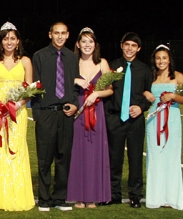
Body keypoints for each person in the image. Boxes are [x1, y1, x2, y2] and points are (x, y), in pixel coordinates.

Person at [0, 22, 35, 211]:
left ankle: (17, 195)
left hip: (17, 114)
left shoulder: (25, 61)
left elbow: (30, 89)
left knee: (16, 149)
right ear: (0, 41)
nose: (9, 42)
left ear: (18, 40)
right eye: (5, 38)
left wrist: (18, 103)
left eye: (12, 38)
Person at [30, 21, 79, 212]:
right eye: (56, 33)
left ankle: (60, 197)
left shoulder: (72, 57)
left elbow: (75, 85)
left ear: (67, 35)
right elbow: (35, 86)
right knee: (44, 158)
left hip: (65, 113)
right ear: (50, 34)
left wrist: (75, 104)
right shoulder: (39, 56)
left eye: (63, 33)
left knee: (63, 157)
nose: (59, 36)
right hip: (46, 113)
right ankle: (44, 198)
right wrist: (38, 114)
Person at [101, 32, 152, 208]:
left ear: (138, 48)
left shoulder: (145, 70)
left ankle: (135, 195)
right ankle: (114, 194)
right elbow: (106, 92)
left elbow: (149, 94)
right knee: (114, 158)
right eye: (127, 44)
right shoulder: (112, 67)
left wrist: (141, 107)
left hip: (135, 120)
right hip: (116, 118)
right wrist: (109, 116)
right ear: (122, 45)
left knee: (135, 158)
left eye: (133, 45)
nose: (130, 48)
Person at [66, 27, 112, 209]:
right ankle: (78, 195)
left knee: (94, 153)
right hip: (78, 110)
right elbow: (60, 83)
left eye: (90, 41)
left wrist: (97, 93)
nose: (87, 45)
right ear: (78, 44)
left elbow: (110, 89)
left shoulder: (102, 63)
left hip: (96, 110)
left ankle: (93, 195)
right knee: (78, 152)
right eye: (84, 41)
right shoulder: (72, 62)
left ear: (95, 44)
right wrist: (75, 81)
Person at [144, 45, 183, 210]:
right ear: (154, 60)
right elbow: (143, 92)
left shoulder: (178, 77)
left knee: (171, 157)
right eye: (158, 58)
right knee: (155, 157)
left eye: (164, 58)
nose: (161, 61)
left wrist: (173, 96)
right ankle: (155, 197)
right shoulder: (150, 76)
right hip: (154, 121)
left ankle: (170, 196)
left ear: (169, 60)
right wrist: (145, 94)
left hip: (172, 121)